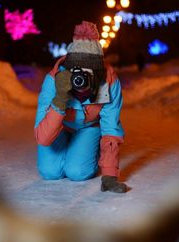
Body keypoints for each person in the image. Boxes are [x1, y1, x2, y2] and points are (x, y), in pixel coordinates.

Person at [34, 21, 127, 193]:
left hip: (88, 127)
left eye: (88, 74)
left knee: (77, 172)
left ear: (98, 72)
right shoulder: (55, 79)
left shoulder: (108, 81)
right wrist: (60, 98)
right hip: (60, 126)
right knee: (49, 172)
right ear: (69, 70)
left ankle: (87, 150)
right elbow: (43, 138)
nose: (81, 79)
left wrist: (109, 174)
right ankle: (71, 147)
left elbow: (111, 128)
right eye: (77, 72)